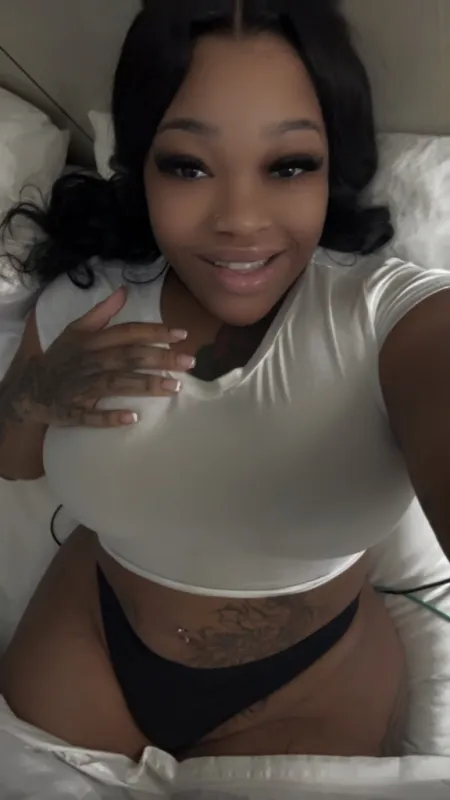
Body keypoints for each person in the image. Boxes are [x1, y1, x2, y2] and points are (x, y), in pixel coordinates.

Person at [0, 0, 450, 763]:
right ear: (141, 166)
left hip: (311, 686)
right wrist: (34, 396)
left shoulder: (393, 317)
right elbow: (13, 460)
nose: (240, 218)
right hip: (87, 644)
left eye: (288, 165)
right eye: (188, 165)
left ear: (332, 169)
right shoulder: (86, 300)